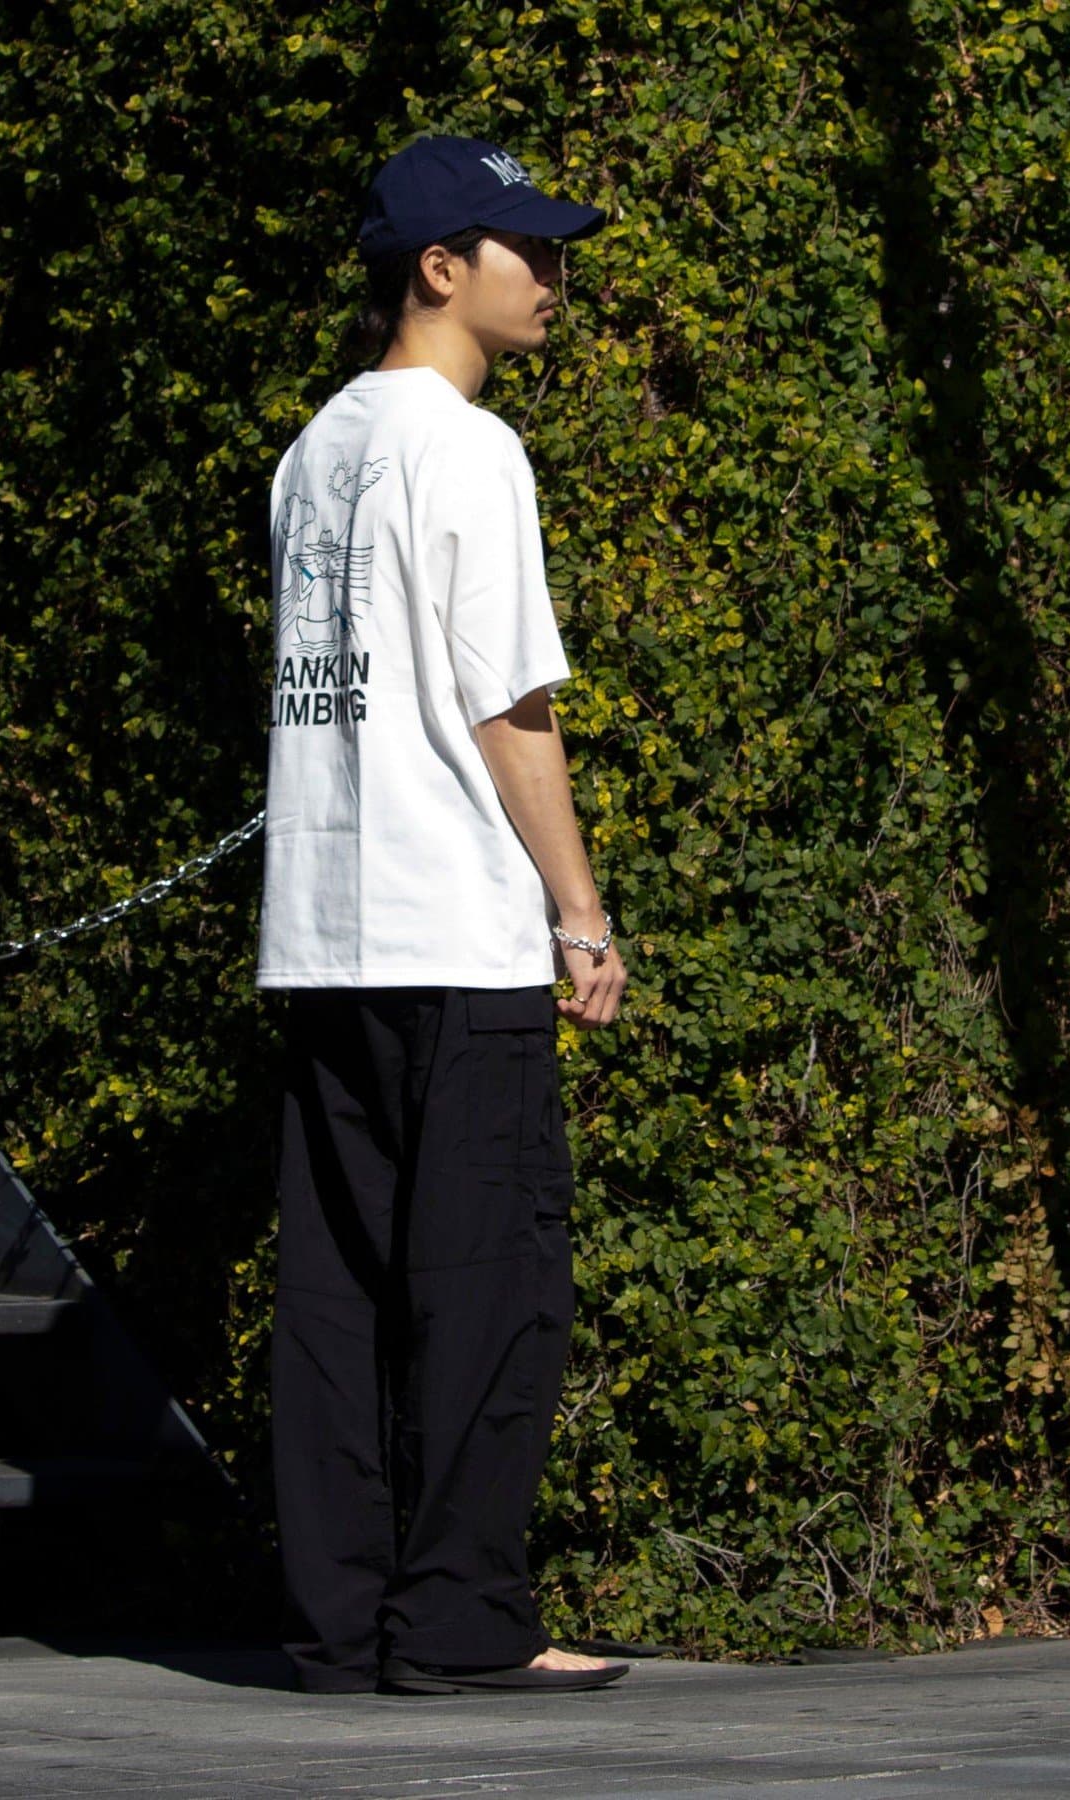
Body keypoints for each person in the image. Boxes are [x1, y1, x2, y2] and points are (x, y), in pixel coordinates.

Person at [255, 134, 629, 1696]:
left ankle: (343, 1628)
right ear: (437, 268)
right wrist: (580, 912)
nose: (552, 275)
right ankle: (461, 1621)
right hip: (455, 934)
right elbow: (509, 704)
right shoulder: (469, 451)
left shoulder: (314, 452)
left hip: (323, 932)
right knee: (491, 1288)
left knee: (338, 1292)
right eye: (522, 248)